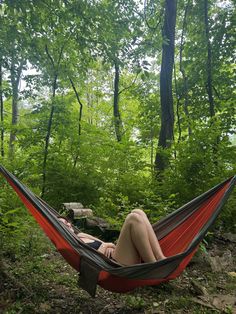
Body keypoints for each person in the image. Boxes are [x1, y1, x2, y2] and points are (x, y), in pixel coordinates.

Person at [59, 209, 166, 266]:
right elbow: (92, 262)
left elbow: (108, 244)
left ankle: (161, 258)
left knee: (138, 212)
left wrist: (107, 245)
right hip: (113, 264)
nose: (68, 224)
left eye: (67, 222)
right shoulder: (72, 244)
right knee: (133, 218)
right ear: (60, 230)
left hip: (117, 254)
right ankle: (153, 266)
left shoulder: (81, 235)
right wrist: (106, 245)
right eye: (63, 224)